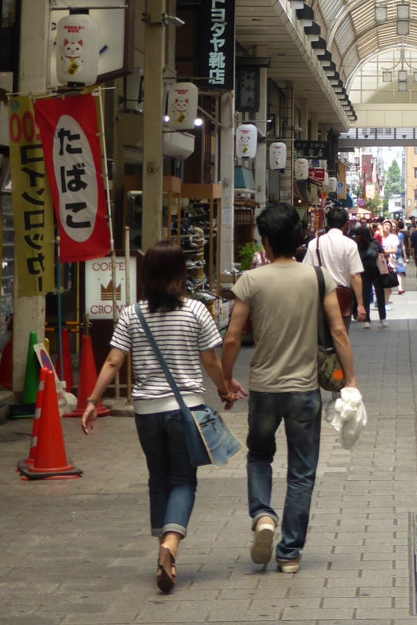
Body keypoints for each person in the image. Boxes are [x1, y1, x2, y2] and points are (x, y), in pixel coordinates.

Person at [82, 241, 244, 593]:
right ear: (180, 274)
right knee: (183, 480)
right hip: (185, 409)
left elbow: (113, 361)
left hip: (147, 413)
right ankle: (170, 547)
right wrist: (223, 391)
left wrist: (93, 400)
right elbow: (211, 361)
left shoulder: (131, 314)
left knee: (158, 479)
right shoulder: (196, 312)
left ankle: (163, 553)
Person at [221, 203, 357, 574]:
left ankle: (263, 515)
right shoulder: (317, 278)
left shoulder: (250, 281)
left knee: (259, 455)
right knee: (302, 471)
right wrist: (351, 382)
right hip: (304, 392)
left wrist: (225, 381)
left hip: (263, 389)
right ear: (298, 239)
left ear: (265, 241)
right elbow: (338, 330)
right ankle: (290, 553)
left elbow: (232, 337)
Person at [302, 207, 366, 332]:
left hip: (319, 297)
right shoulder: (350, 244)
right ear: (346, 224)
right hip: (341, 298)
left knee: (320, 337)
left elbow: (306, 271)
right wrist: (360, 304)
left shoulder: (314, 243)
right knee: (340, 335)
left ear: (327, 223)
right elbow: (354, 276)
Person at [354, 226, 387, 328]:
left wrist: (379, 254)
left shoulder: (375, 243)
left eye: (357, 234)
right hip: (363, 273)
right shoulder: (357, 245)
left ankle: (383, 318)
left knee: (380, 295)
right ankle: (366, 319)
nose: (356, 236)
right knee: (365, 297)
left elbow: (383, 252)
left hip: (376, 272)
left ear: (362, 235)